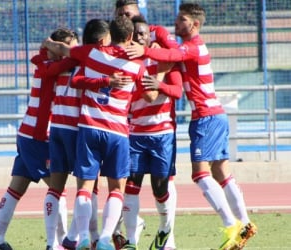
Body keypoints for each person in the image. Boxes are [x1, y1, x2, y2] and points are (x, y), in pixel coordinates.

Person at [125, 3, 258, 250]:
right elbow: (167, 48)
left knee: (200, 174)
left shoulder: (193, 47)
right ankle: (246, 224)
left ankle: (233, 227)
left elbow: (172, 55)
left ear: (194, 24)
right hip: (214, 115)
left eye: (181, 20)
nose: (176, 24)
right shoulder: (187, 45)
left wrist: (144, 50)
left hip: (206, 117)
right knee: (221, 173)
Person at [43, 16, 157, 250]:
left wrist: (47, 43)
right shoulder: (136, 65)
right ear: (130, 38)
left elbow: (65, 51)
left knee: (84, 187)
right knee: (116, 189)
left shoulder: (90, 54)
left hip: (89, 128)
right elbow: (149, 96)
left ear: (109, 35)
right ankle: (105, 239)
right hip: (117, 131)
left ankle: (84, 236)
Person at [0, 28, 78, 250]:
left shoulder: (47, 63)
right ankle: (57, 242)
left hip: (27, 135)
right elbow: (72, 59)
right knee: (58, 190)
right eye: (66, 46)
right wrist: (81, 54)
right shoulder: (49, 65)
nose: (70, 51)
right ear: (54, 48)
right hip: (38, 137)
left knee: (16, 187)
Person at [114, 1, 180, 249]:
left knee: (161, 188)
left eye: (144, 34)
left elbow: (177, 90)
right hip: (135, 134)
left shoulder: (162, 55)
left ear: (149, 35)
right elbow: (141, 95)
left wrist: (160, 80)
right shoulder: (127, 62)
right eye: (136, 34)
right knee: (131, 186)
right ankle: (131, 240)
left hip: (163, 133)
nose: (139, 37)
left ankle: (166, 231)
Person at [43, 19, 111, 250]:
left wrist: (49, 45)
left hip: (57, 128)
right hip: (76, 129)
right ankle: (81, 236)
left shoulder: (53, 67)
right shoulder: (82, 61)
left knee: (56, 187)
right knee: (88, 186)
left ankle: (53, 243)